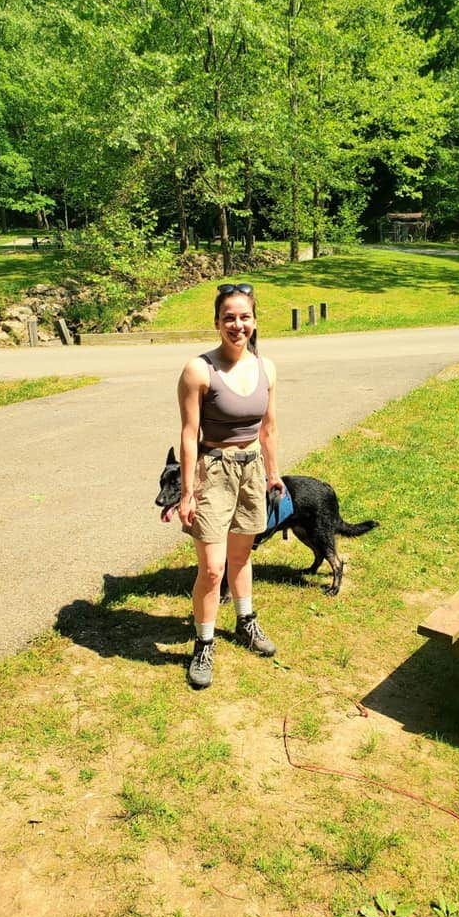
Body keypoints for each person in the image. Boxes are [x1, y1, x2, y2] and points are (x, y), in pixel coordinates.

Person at [177, 282, 284, 688]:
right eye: (229, 318)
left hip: (252, 469)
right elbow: (189, 434)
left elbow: (269, 427)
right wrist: (188, 492)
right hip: (215, 471)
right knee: (212, 567)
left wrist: (273, 475)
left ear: (255, 321)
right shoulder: (198, 370)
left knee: (242, 557)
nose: (237, 325)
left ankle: (245, 621)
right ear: (217, 322)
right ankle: (204, 642)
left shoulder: (266, 367)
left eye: (244, 317)